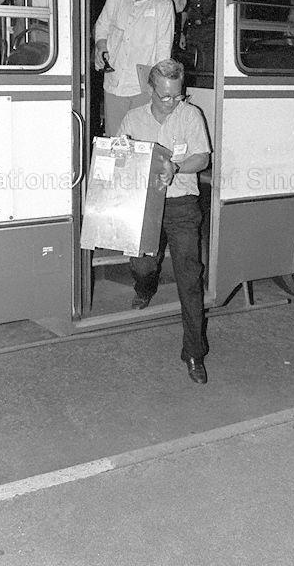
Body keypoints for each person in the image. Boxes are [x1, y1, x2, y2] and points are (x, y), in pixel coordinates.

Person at [118, 59, 211, 384]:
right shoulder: (133, 118)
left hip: (182, 204)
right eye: (165, 97)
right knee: (143, 266)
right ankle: (146, 286)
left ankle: (194, 353)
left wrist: (177, 167)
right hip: (145, 204)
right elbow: (120, 159)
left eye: (177, 95)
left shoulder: (191, 115)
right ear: (151, 90)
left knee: (190, 279)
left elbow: (201, 157)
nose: (173, 102)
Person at [95, 0, 175, 135]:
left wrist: (160, 88)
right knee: (115, 138)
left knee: (141, 139)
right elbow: (102, 26)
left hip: (144, 85)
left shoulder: (163, 6)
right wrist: (101, 45)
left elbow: (164, 48)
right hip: (115, 79)